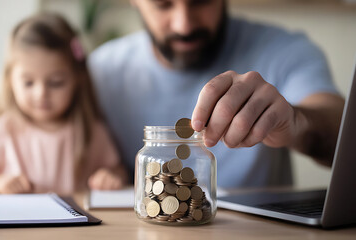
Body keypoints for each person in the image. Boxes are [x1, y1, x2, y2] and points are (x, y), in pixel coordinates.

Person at [88, 0, 345, 188]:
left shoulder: (285, 51)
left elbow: (344, 136)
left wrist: (297, 123)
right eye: (163, 4)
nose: (184, 25)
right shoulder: (97, 72)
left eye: (201, 1)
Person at [0, 12, 127, 195]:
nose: (41, 94)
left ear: (77, 80)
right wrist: (0, 183)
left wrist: (111, 176)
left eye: (56, 82)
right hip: (20, 222)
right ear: (10, 81)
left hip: (75, 223)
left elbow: (119, 170)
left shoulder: (90, 130)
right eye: (28, 83)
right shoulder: (7, 129)